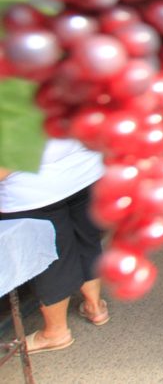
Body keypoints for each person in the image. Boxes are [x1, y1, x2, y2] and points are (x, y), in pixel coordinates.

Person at [0, 139, 108, 354]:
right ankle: (95, 306)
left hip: (34, 189)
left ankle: (56, 332)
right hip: (84, 171)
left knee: (51, 260)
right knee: (86, 240)